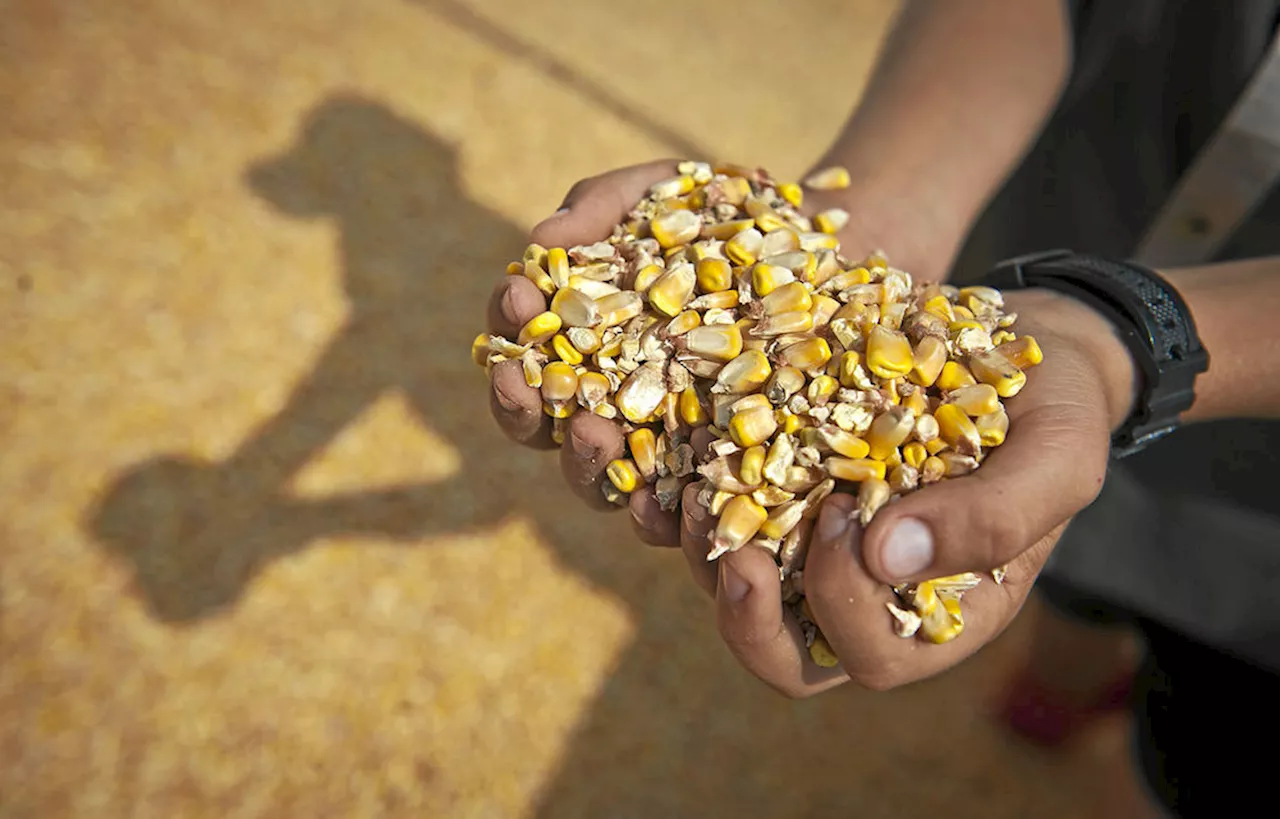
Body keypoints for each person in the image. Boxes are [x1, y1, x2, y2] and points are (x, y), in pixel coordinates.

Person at [483, 1, 1280, 815]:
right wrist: (872, 209)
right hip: (1032, 244)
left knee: (1187, 757)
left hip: (1255, 530)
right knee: (1057, 561)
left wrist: (1136, 337)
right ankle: (1062, 684)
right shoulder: (942, 344)